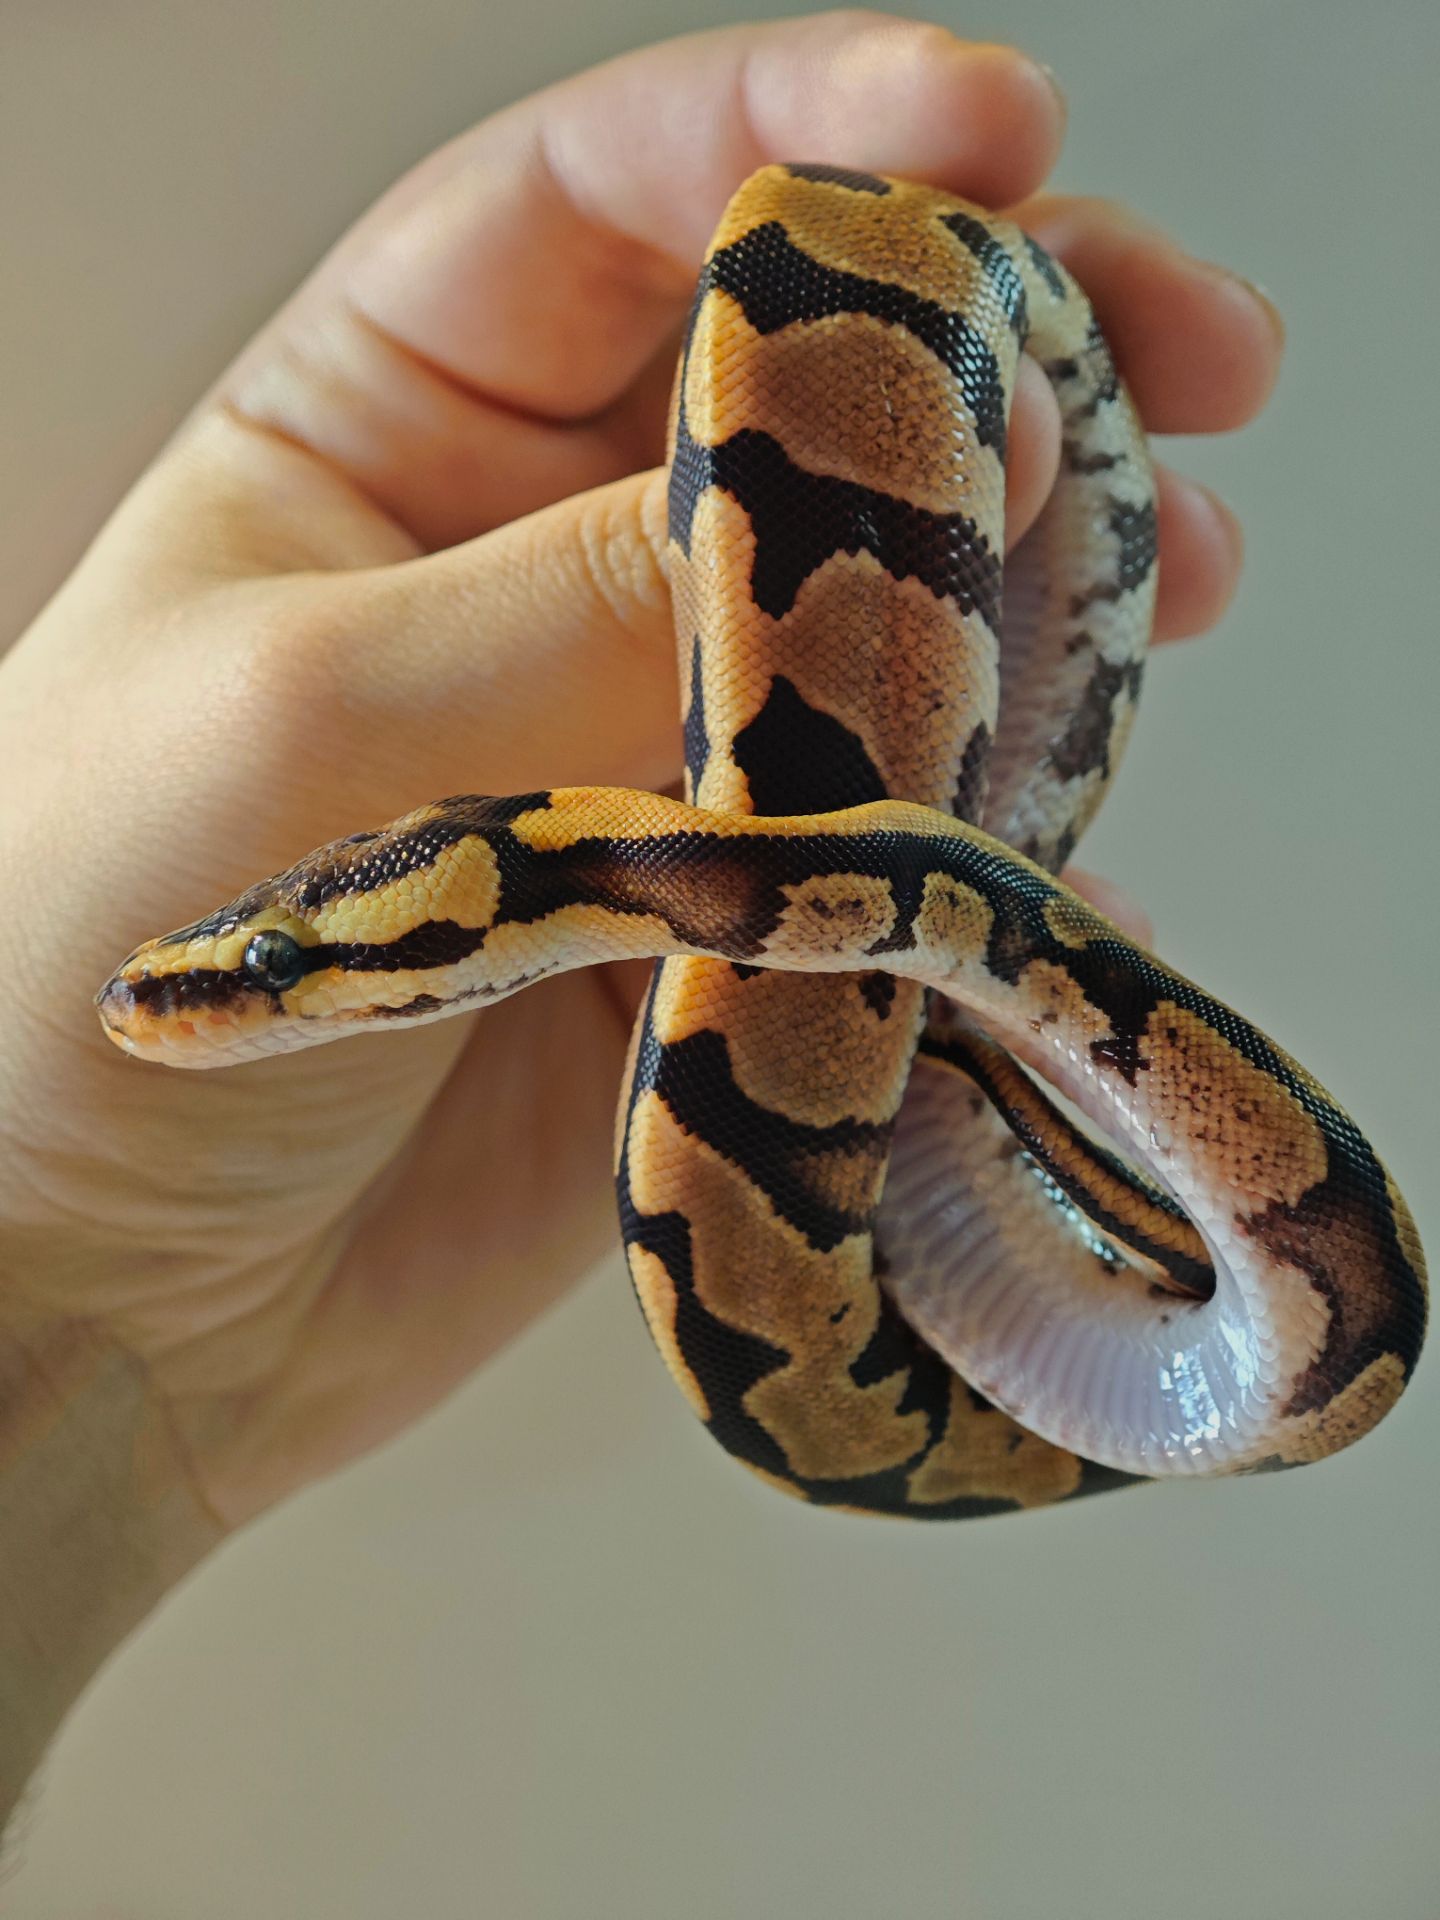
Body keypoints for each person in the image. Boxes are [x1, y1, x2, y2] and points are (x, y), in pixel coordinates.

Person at [0, 12, 1283, 1823]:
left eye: (278, 968)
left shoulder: (596, 888)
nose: (214, 997)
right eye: (267, 968)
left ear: (420, 941)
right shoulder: (570, 898)